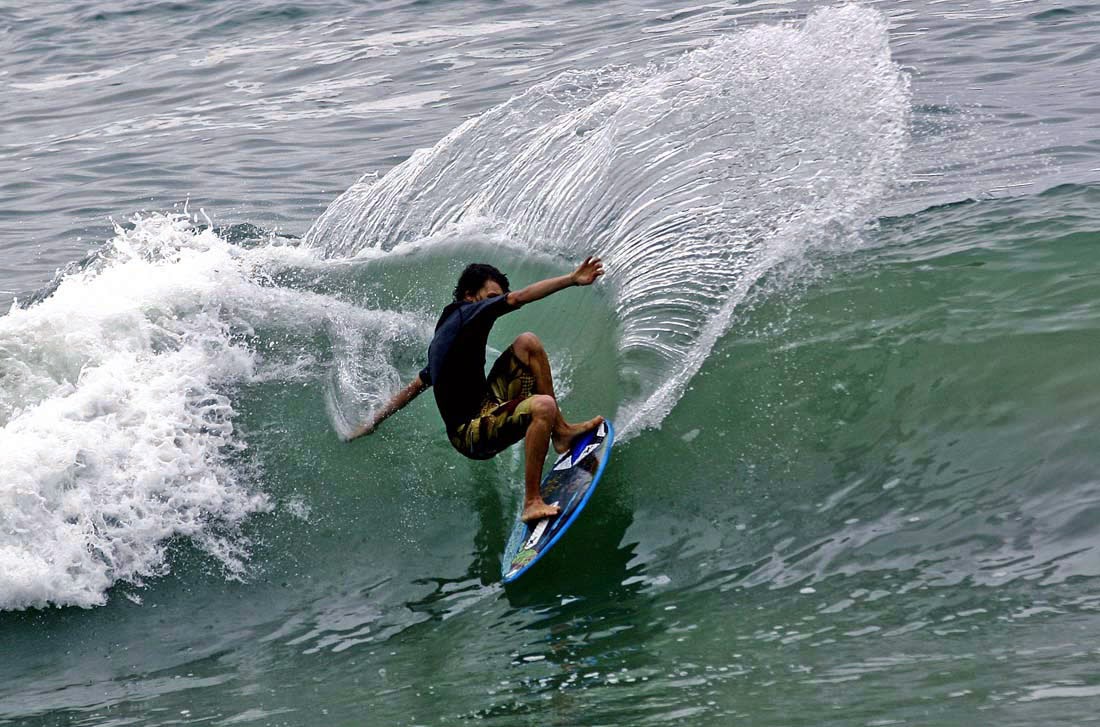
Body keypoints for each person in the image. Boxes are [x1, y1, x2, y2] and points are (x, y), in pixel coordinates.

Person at [346, 257, 606, 523]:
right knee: (543, 407)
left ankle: (560, 432)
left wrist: (372, 423)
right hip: (469, 433)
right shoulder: (464, 314)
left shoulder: (451, 329)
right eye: (491, 297)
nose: (495, 303)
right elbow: (518, 299)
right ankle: (532, 502)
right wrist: (572, 279)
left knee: (527, 343)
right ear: (470, 296)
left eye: (498, 298)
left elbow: (414, 386)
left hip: (487, 406)